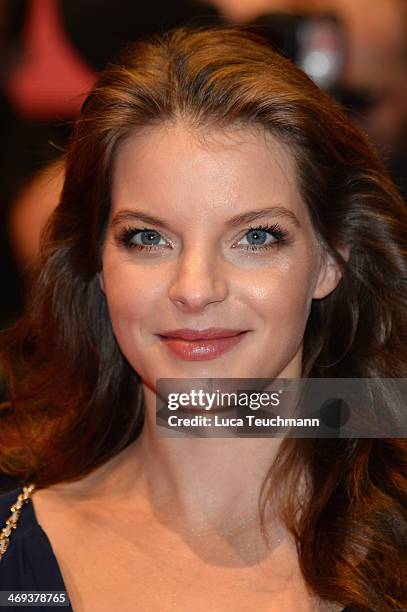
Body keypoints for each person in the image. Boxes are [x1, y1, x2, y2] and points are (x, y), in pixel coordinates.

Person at [0, 25, 406, 611]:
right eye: (147, 238)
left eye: (256, 236)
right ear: (98, 264)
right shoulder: (13, 558)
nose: (195, 290)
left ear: (330, 260)